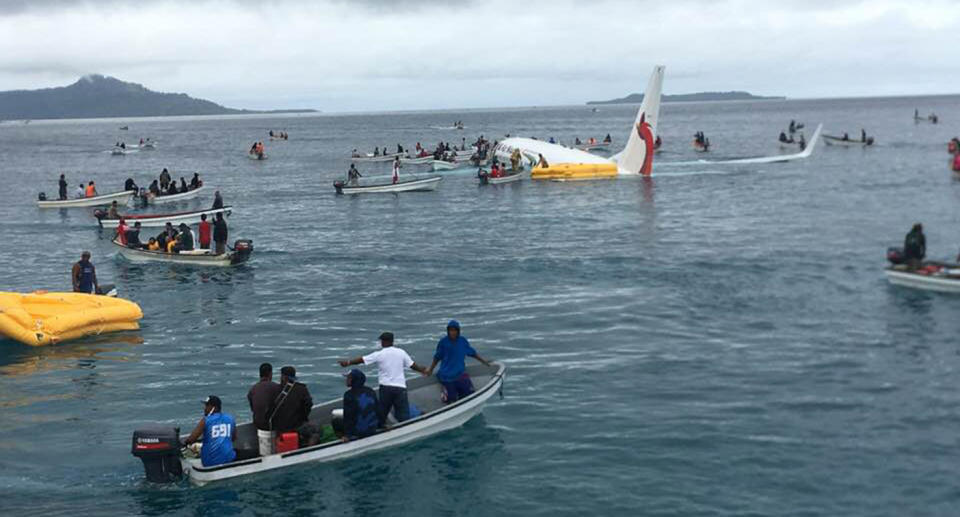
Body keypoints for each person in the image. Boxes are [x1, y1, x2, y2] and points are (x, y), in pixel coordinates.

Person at [339, 332, 428, 423]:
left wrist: (348, 362)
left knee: (382, 412)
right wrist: (422, 370)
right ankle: (405, 427)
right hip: (400, 388)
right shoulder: (401, 352)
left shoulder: (380, 354)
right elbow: (412, 365)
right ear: (392, 341)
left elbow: (362, 360)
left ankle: (381, 428)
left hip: (386, 388)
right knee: (403, 413)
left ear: (384, 341)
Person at [426, 320, 492, 403]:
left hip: (460, 374)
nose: (452, 332)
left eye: (454, 330)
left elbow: (473, 353)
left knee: (470, 394)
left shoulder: (462, 341)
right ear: (448, 331)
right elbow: (437, 357)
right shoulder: (443, 343)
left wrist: (484, 362)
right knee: (451, 400)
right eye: (450, 330)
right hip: (446, 376)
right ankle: (445, 393)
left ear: (458, 331)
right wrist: (431, 369)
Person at [182, 396, 254, 467]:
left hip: (208, 462)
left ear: (214, 408)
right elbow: (233, 438)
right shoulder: (230, 418)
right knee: (253, 452)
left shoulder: (205, 420)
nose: (205, 409)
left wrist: (184, 443)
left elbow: (191, 439)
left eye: (207, 406)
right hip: (228, 458)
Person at [269, 366, 314, 444]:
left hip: (279, 428)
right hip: (297, 425)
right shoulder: (301, 389)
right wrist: (303, 418)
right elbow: (308, 404)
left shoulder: (275, 390)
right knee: (316, 430)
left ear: (283, 377)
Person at [248, 363, 281, 456]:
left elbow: (252, 407)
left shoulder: (253, 389)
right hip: (271, 425)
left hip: (257, 423)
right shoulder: (276, 387)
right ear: (270, 374)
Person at [341, 369, 382, 441]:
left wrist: (347, 435)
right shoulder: (370, 391)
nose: (346, 380)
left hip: (358, 432)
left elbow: (348, 416)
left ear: (354, 380)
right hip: (373, 429)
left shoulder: (348, 395)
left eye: (349, 378)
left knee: (336, 421)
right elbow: (378, 410)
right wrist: (382, 425)